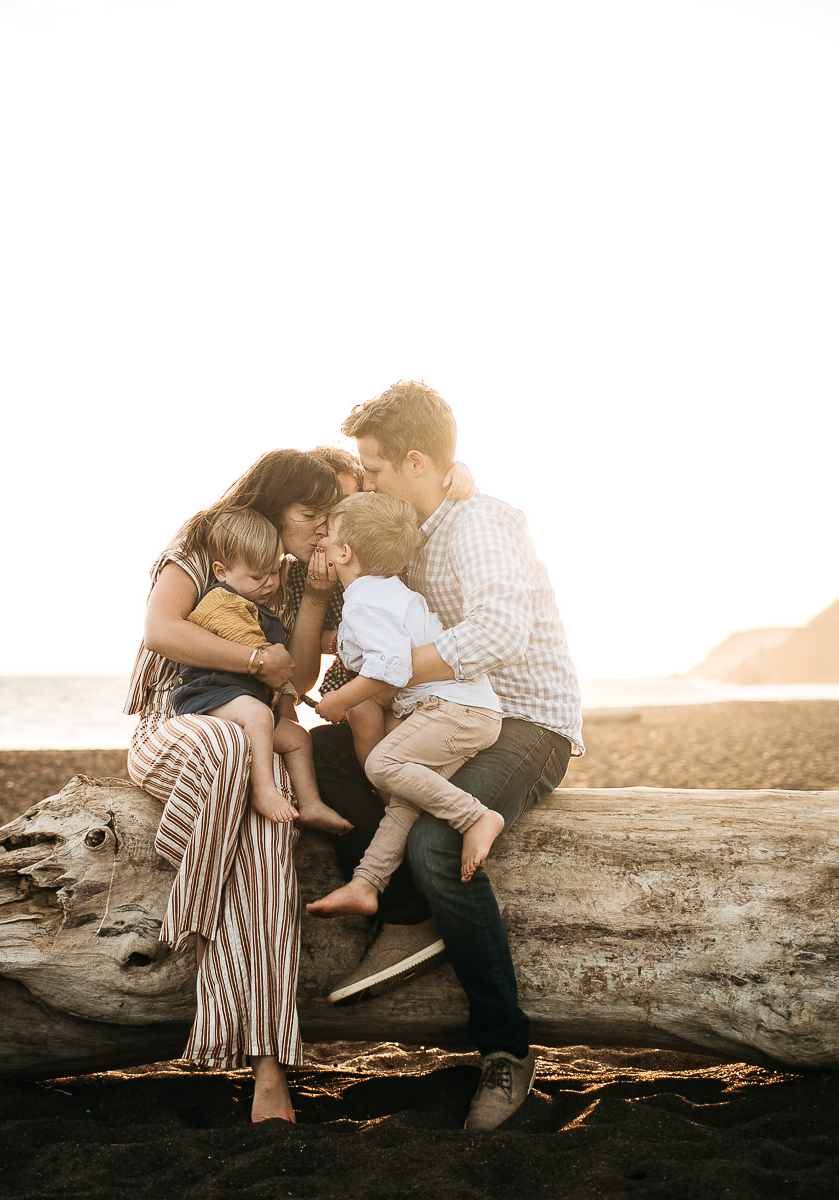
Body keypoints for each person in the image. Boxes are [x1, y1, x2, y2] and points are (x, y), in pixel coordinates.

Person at [310, 380, 583, 1132]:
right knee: (324, 757)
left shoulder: (482, 522)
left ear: (417, 463)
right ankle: (406, 914)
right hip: (444, 715)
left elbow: (499, 633)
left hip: (525, 720)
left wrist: (389, 675)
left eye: (373, 470)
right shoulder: (410, 531)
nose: (365, 483)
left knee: (438, 841)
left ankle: (506, 1051)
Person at [123, 449, 351, 1124]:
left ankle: (268, 1067)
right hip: (175, 723)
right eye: (310, 514)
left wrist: (314, 597)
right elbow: (162, 631)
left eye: (328, 515)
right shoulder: (205, 548)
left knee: (268, 845)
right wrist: (253, 658)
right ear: (274, 507)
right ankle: (195, 902)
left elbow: (296, 680)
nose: (321, 527)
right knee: (230, 747)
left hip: (252, 736)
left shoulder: (292, 576)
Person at [305, 492, 505, 919]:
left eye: (329, 534)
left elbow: (391, 667)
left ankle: (475, 817)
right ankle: (366, 883)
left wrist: (340, 699)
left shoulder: (365, 602)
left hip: (455, 711)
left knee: (381, 765)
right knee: (404, 802)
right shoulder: (383, 593)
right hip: (461, 711)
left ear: (344, 553)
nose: (321, 539)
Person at [170, 505, 344, 831]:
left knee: (298, 738)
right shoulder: (220, 600)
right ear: (222, 571)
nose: (269, 584)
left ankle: (310, 804)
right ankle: (264, 791)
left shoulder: (257, 605)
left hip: (246, 700)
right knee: (259, 715)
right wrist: (274, 663)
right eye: (256, 576)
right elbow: (249, 643)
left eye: (274, 572)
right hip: (209, 694)